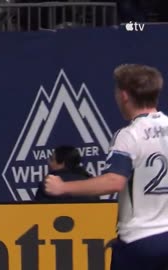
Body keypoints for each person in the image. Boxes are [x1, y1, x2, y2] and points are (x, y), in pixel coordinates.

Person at [45, 64, 168, 270]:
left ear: (124, 95)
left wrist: (64, 187)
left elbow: (114, 181)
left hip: (140, 240)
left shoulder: (130, 135)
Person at [35, 145, 99, 202]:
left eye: (51, 159)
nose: (48, 162)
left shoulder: (49, 184)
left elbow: (38, 211)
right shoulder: (90, 182)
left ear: (62, 163)